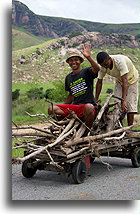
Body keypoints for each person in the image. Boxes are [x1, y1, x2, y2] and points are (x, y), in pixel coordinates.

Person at [48, 43, 100, 129]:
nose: (74, 62)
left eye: (76, 60)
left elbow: (97, 69)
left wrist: (88, 57)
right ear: (68, 62)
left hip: (86, 106)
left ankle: (87, 131)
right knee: (51, 109)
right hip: (75, 107)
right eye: (71, 60)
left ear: (80, 61)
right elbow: (71, 95)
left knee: (89, 107)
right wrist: (64, 107)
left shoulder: (86, 71)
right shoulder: (68, 77)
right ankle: (65, 124)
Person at [95, 51, 139, 126]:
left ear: (109, 59)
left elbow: (125, 81)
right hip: (119, 81)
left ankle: (129, 129)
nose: (106, 67)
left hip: (132, 80)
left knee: (130, 105)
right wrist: (96, 99)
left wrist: (124, 100)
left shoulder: (119, 61)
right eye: (103, 65)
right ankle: (120, 128)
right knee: (117, 105)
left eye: (106, 64)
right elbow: (99, 82)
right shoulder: (103, 67)